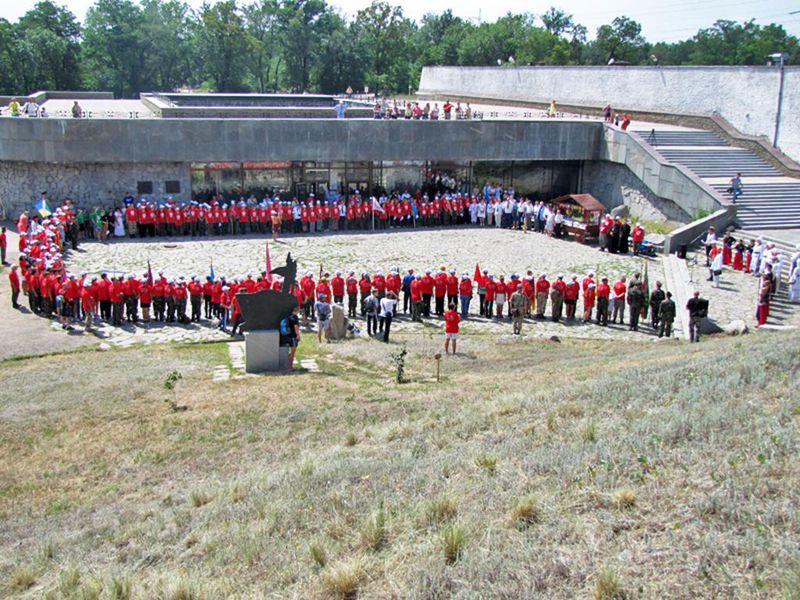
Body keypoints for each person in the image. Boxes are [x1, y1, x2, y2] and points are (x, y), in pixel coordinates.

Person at [280, 305, 301, 370]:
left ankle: (288, 365)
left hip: (288, 336)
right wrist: (298, 335)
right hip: (293, 337)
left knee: (290, 352)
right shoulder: (295, 317)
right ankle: (290, 367)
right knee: (292, 352)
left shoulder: (289, 316)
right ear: (297, 310)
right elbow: (296, 327)